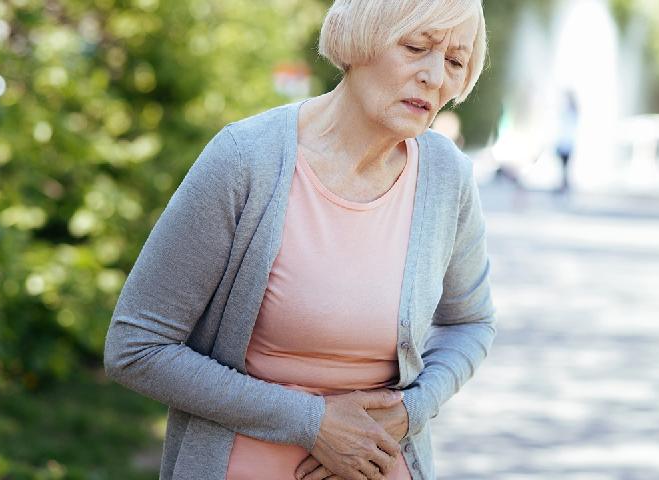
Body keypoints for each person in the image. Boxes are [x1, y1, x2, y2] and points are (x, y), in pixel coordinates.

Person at [102, 1, 495, 479]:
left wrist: (412, 408)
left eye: (455, 60)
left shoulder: (447, 175)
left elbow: (469, 323)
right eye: (416, 47)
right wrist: (313, 423)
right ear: (359, 39)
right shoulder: (244, 160)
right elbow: (136, 346)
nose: (436, 77)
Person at [553, 89, 579, 195]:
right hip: (564, 142)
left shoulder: (571, 112)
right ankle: (564, 185)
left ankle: (564, 186)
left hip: (567, 143)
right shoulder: (567, 111)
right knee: (563, 167)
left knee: (565, 167)